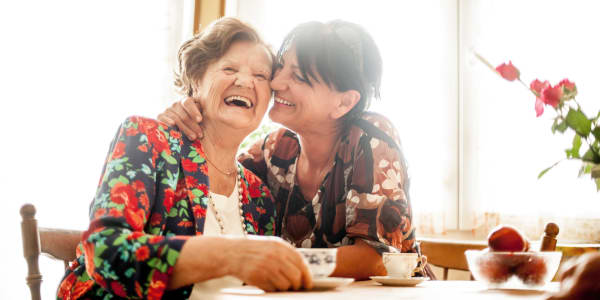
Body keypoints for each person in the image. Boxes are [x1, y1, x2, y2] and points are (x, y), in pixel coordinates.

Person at [57, 17, 312, 300]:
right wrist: (228, 254)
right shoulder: (148, 140)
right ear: (195, 80)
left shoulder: (260, 197)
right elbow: (105, 252)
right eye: (229, 68)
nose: (244, 81)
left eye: (261, 76)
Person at [159, 20, 432, 280]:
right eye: (280, 68)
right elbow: (217, 170)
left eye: (299, 76)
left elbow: (375, 258)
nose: (275, 83)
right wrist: (191, 111)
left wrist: (274, 262)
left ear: (344, 103)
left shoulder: (371, 137)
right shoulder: (276, 148)